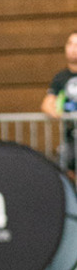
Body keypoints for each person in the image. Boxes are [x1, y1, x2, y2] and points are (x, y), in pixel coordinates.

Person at [41, 30, 77, 177]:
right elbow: (47, 103)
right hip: (70, 139)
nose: (73, 48)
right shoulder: (61, 78)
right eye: (70, 44)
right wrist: (56, 112)